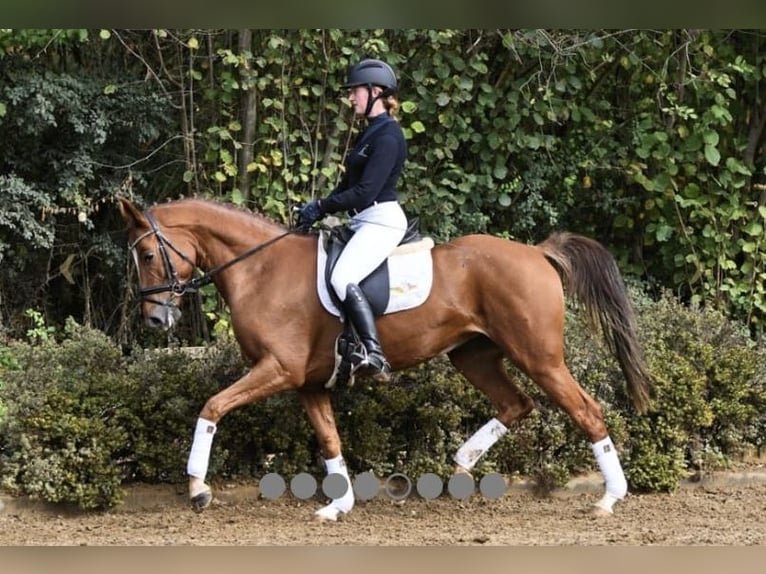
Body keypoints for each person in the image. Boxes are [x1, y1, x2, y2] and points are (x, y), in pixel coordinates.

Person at [297, 58, 408, 383]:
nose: (351, 98)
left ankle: (374, 353)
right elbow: (346, 188)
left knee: (342, 276)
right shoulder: (369, 133)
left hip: (381, 221)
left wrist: (321, 206)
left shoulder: (388, 135)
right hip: (363, 220)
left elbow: (364, 191)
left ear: (376, 91)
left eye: (355, 92)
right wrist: (316, 211)